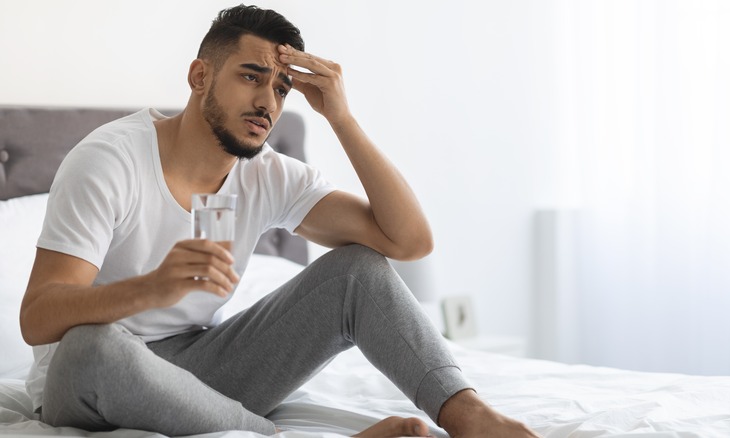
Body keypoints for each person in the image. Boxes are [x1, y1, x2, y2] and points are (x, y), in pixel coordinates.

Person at [19, 5, 540, 438]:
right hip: (90, 380)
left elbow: (408, 241)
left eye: (282, 87)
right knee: (95, 345)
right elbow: (37, 317)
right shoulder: (109, 161)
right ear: (200, 76)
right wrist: (152, 288)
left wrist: (342, 117)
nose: (268, 102)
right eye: (251, 76)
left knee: (356, 266)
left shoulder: (267, 174)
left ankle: (465, 413)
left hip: (203, 368)